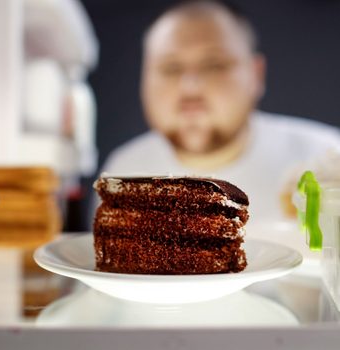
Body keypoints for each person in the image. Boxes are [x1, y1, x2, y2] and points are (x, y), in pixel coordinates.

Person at [102, 0, 340, 222]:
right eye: (170, 68)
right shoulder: (120, 172)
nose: (190, 87)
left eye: (214, 65)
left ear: (256, 75)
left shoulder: (327, 159)